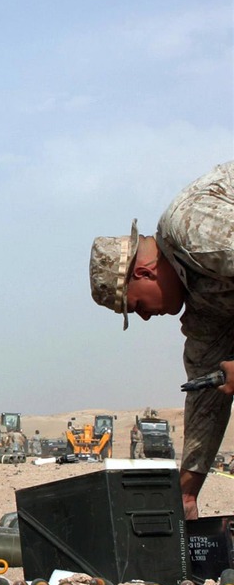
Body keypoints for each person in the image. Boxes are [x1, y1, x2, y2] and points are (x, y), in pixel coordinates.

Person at [89, 161, 234, 520]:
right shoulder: (202, 309)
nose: (144, 316)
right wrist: (186, 494)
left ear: (142, 272)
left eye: (136, 305)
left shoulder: (191, 230)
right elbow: (206, 402)